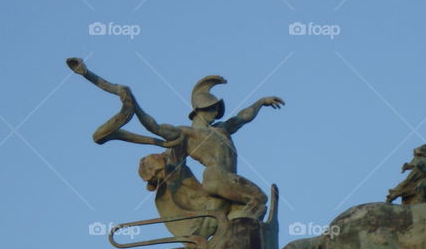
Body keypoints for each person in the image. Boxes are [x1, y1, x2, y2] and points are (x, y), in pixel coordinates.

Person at [67, 59, 283, 219]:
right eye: (214, 109)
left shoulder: (222, 129)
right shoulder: (185, 133)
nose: (216, 113)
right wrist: (133, 105)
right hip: (217, 177)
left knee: (244, 213)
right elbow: (153, 126)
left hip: (226, 179)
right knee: (259, 200)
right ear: (203, 110)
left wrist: (261, 102)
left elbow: (242, 117)